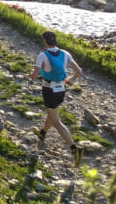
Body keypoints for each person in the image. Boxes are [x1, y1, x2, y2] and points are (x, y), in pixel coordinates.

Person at [29, 30, 84, 166]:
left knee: (57, 121)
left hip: (48, 89)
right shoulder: (65, 53)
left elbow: (34, 75)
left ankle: (74, 148)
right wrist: (70, 81)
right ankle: (42, 132)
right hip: (61, 89)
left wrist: (32, 75)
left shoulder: (42, 55)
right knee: (52, 112)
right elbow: (79, 71)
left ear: (45, 41)